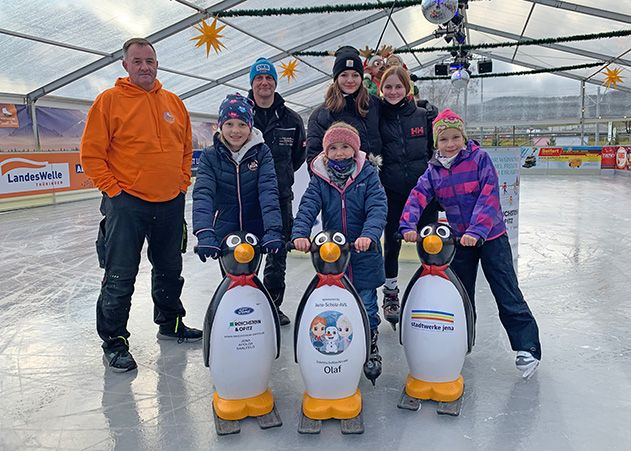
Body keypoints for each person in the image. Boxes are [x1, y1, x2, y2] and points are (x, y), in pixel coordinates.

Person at [80, 38, 202, 373]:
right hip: (126, 205)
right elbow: (91, 154)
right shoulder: (109, 102)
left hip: (170, 203)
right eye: (137, 61)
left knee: (169, 269)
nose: (145, 67)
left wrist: (181, 184)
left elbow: (186, 149)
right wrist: (114, 192)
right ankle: (115, 342)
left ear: (157, 63)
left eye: (150, 60)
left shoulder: (174, 103)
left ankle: (171, 323)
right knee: (120, 276)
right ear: (125, 65)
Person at [399, 108, 542, 378]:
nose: (450, 144)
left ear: (464, 138)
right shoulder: (434, 170)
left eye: (455, 137)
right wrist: (407, 225)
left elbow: (489, 196)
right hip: (460, 241)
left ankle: (527, 347)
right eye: (444, 139)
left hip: (491, 237)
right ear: (436, 143)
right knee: (460, 295)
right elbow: (418, 195)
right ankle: (462, 341)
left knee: (506, 290)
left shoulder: (479, 160)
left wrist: (476, 230)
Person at [292, 122, 387, 383]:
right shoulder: (321, 179)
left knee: (367, 304)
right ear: (325, 152)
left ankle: (370, 345)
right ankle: (340, 347)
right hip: (334, 256)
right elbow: (308, 205)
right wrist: (300, 233)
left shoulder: (367, 175)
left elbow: (377, 207)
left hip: (363, 254)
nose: (340, 152)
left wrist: (369, 235)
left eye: (345, 146)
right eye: (333, 148)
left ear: (355, 150)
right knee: (337, 305)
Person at [378, 65, 440, 328]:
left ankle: (431, 287)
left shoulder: (423, 116)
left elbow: (436, 150)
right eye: (388, 87)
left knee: (428, 242)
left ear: (408, 88)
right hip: (392, 193)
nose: (393, 91)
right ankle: (391, 293)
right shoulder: (377, 116)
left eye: (398, 86)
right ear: (381, 89)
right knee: (392, 244)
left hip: (423, 194)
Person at [247, 57, 307, 326]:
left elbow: (298, 156)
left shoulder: (291, 119)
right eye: (259, 78)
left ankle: (272, 304)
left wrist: (280, 178)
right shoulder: (241, 115)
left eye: (269, 78)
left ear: (275, 82)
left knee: (276, 255)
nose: (264, 83)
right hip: (246, 198)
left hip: (280, 198)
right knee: (246, 251)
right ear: (252, 83)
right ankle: (246, 305)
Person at [192, 94, 283, 268]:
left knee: (251, 277)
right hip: (225, 233)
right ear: (220, 126)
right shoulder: (210, 156)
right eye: (229, 124)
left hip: (254, 230)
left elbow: (268, 192)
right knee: (230, 279)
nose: (235, 131)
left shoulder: (262, 152)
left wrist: (273, 230)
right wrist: (204, 233)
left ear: (250, 126)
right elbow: (204, 194)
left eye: (242, 124)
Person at [305, 46, 382, 169]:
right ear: (336, 78)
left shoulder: (375, 105)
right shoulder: (321, 115)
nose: (350, 80)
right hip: (344, 185)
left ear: (361, 77)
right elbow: (314, 160)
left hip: (378, 183)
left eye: (355, 75)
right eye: (344, 75)